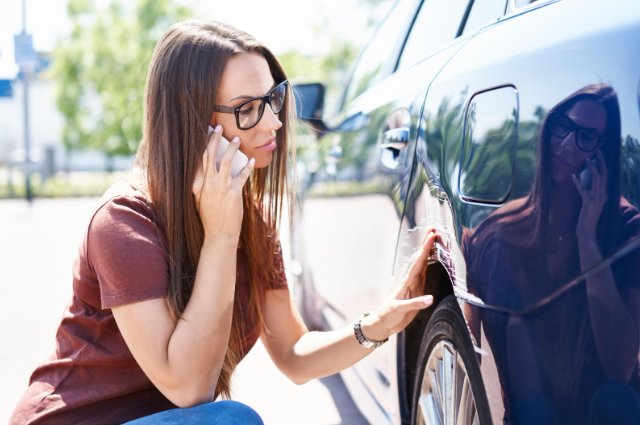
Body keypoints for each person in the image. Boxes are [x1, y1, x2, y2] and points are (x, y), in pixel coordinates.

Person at [9, 19, 436, 425]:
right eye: (248, 108)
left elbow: (294, 353)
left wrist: (378, 324)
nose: (274, 121)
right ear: (192, 120)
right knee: (232, 419)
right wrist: (220, 236)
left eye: (273, 98)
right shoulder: (123, 222)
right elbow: (190, 388)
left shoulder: (251, 220)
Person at [463, 84, 640, 424]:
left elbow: (619, 369)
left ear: (605, 154)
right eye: (563, 126)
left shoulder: (626, 226)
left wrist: (588, 240)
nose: (567, 144)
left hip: (605, 409)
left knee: (614, 398)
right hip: (530, 409)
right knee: (518, 328)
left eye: (586, 137)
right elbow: (468, 346)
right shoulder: (500, 231)